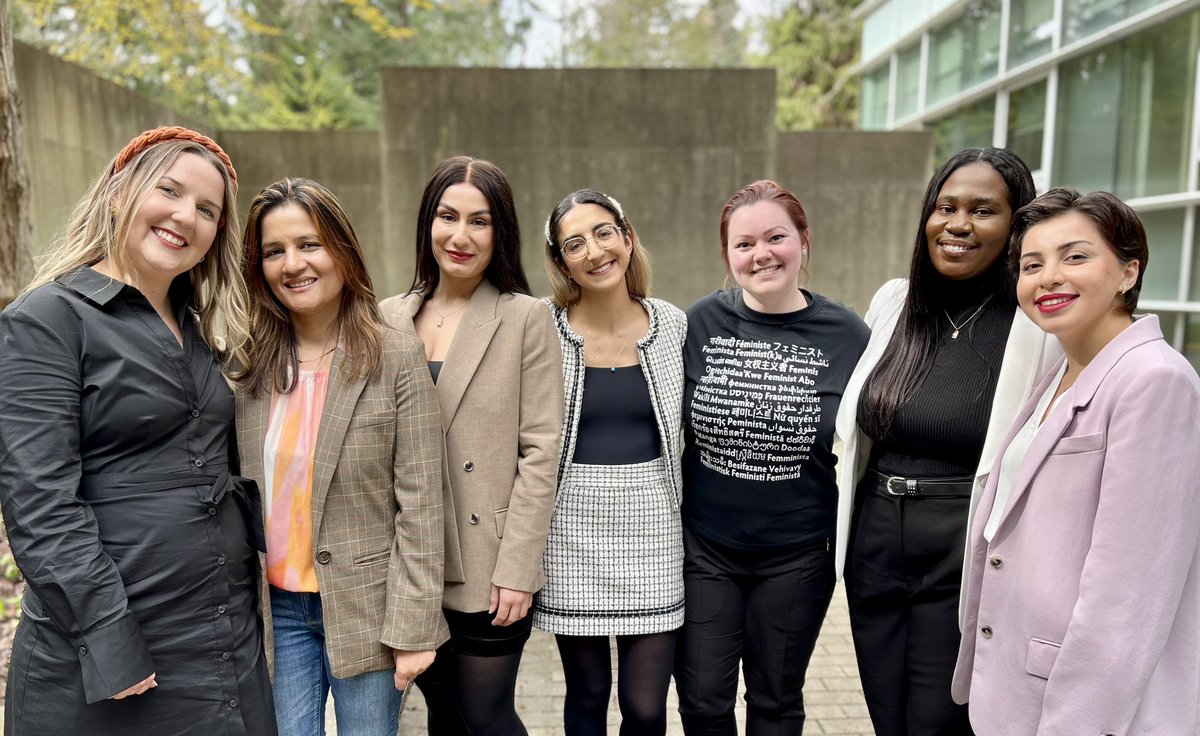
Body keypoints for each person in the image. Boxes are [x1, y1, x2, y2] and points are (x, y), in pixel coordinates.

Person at [0, 126, 276, 734]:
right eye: (169, 190)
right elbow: (40, 503)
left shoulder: (201, 329)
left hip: (223, 640)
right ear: (121, 192)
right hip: (112, 651)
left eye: (207, 210)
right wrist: (107, 636)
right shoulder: (47, 319)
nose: (185, 216)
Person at [952, 189, 1200, 734]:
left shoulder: (1155, 381)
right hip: (1016, 684)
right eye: (1031, 265)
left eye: (1076, 256)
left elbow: (1128, 596)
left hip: (1077, 705)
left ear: (1128, 272)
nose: (1048, 277)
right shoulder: (1061, 373)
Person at [834, 148, 1058, 736]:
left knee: (937, 719)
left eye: (983, 210)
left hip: (964, 540)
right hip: (876, 538)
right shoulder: (895, 303)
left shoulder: (1035, 325)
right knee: (888, 714)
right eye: (945, 207)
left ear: (1017, 226)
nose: (958, 224)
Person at [235, 178, 447, 736]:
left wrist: (415, 629)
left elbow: (422, 504)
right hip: (278, 610)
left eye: (309, 244)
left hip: (369, 611)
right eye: (274, 251)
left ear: (342, 250)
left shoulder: (397, 356)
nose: (293, 264)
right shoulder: (248, 367)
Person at [676, 180, 869, 735]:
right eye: (744, 244)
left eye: (776, 237)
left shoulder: (848, 335)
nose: (761, 254)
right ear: (728, 255)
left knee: (776, 700)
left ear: (803, 241)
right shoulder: (699, 324)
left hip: (798, 556)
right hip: (706, 549)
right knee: (703, 701)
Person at [379, 155, 562, 736]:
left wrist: (519, 567)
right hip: (408, 564)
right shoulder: (388, 317)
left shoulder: (525, 318)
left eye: (478, 221)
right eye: (447, 216)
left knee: (486, 717)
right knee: (441, 715)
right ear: (426, 224)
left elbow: (541, 451)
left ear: (499, 231)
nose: (459, 236)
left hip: (488, 561)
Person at [535, 189, 685, 735]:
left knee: (645, 707)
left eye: (603, 233)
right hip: (572, 532)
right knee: (588, 694)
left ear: (626, 236)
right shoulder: (542, 329)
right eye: (575, 244)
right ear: (561, 261)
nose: (594, 251)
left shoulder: (672, 325)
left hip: (655, 533)